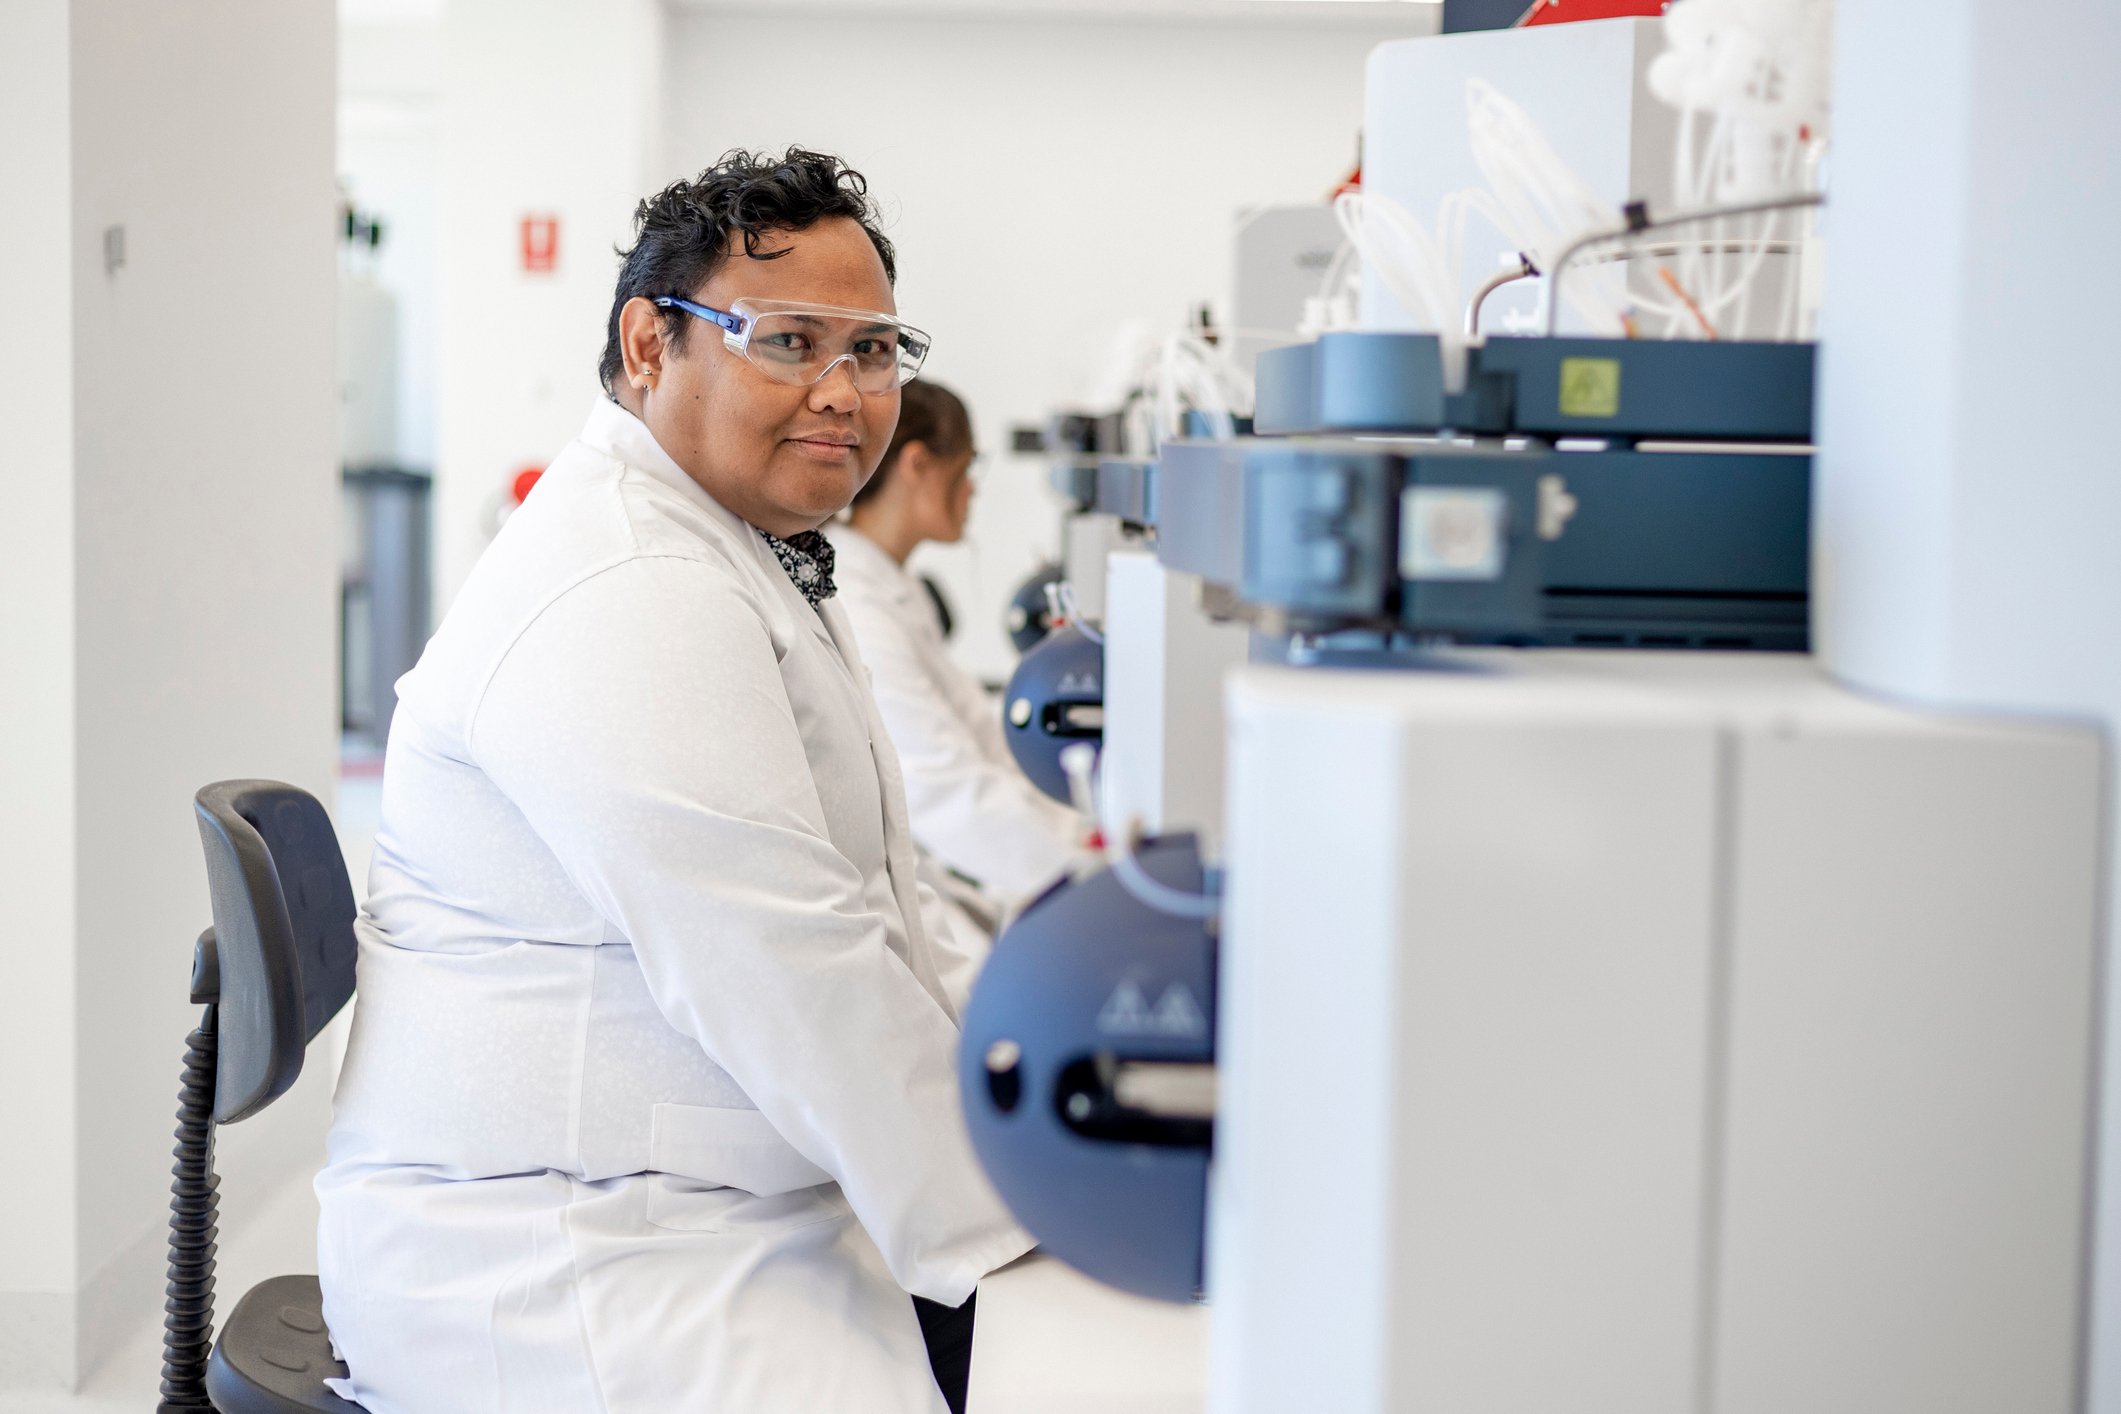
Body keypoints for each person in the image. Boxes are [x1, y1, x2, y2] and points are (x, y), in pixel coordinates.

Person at [316, 149, 1032, 1414]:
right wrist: (1032, 1206)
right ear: (651, 344)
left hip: (686, 1198)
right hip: (575, 1258)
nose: (845, 392)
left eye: (873, 351)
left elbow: (858, 901)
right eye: (789, 339)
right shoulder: (626, 587)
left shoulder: (733, 545)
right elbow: (787, 964)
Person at [828, 381, 1081, 948]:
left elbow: (983, 737)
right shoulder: (856, 595)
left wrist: (1085, 835)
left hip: (950, 875)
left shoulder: (895, 584)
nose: (971, 491)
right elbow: (938, 783)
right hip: (898, 901)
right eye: (966, 469)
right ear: (918, 464)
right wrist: (1089, 869)